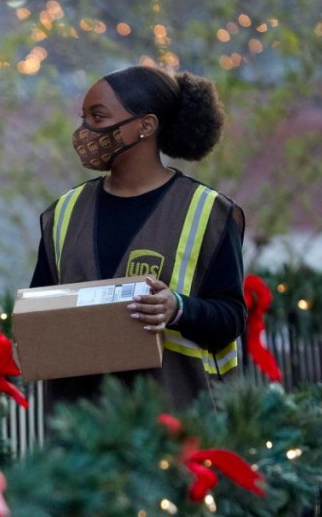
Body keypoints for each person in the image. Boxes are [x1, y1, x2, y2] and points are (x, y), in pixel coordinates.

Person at [30, 65, 246, 410]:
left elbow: (231, 318)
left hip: (175, 423)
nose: (84, 131)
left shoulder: (208, 211)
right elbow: (39, 312)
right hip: (80, 434)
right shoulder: (62, 213)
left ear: (145, 126)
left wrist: (179, 308)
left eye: (97, 117)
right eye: (83, 118)